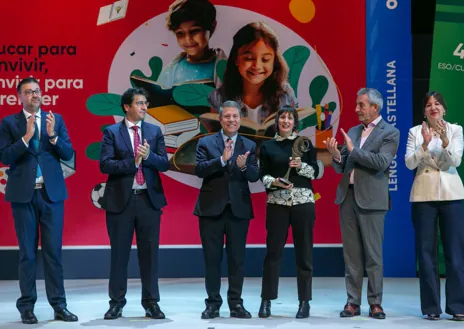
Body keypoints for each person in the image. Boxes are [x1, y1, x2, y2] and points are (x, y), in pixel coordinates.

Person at [0, 77, 77, 324]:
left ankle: (59, 306)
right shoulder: (9, 123)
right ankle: (27, 307)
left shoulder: (56, 120)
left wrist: (53, 136)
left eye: (37, 91)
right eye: (29, 92)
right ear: (19, 97)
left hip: (51, 194)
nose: (35, 95)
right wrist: (26, 138)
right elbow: (4, 156)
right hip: (23, 195)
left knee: (54, 252)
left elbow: (68, 153)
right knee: (28, 254)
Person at [324, 87, 400, 320]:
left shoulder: (390, 132)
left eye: (361, 105)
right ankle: (352, 302)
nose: (356, 109)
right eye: (357, 105)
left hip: (372, 200)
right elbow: (344, 164)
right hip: (348, 196)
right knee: (352, 255)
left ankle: (375, 302)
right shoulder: (355, 131)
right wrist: (337, 155)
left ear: (375, 107)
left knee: (373, 255)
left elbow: (380, 162)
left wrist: (352, 150)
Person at [99, 87, 169, 320]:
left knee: (150, 254)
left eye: (146, 103)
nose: (144, 108)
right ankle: (116, 303)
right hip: (121, 202)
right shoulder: (111, 132)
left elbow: (164, 164)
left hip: (148, 201)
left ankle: (151, 303)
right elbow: (105, 165)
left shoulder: (154, 131)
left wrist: (148, 157)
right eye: (139, 103)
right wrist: (133, 161)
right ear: (127, 107)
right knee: (119, 254)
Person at [193, 100, 260, 319]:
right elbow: (200, 170)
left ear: (240, 120)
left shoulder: (249, 146)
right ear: (220, 119)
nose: (232, 120)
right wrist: (221, 160)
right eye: (227, 117)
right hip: (211, 210)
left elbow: (253, 176)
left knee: (237, 259)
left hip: (238, 210)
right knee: (212, 259)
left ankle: (236, 303)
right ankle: (213, 303)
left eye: (235, 117)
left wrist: (243, 166)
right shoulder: (205, 143)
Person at [405, 91, 464, 321]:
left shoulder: (456, 130)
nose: (433, 107)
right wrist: (424, 146)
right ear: (424, 111)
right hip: (423, 196)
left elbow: (456, 161)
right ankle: (431, 307)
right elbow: (409, 163)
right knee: (426, 253)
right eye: (428, 104)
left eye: (437, 103)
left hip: (452, 195)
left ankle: (458, 305)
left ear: (444, 109)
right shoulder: (414, 132)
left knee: (455, 253)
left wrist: (446, 142)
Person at [257, 105, 320, 319]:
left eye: (289, 118)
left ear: (295, 122)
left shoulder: (305, 144)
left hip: (303, 202)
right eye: (282, 117)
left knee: (304, 253)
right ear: (277, 122)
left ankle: (305, 302)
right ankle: (266, 300)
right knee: (273, 253)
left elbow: (316, 172)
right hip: (277, 203)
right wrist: (274, 181)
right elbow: (262, 175)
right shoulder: (268, 146)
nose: (285, 121)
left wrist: (301, 166)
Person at [208, 22, 298, 125]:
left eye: (265, 59)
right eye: (249, 58)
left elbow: (293, 131)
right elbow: (214, 136)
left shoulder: (285, 93)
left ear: (274, 61)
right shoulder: (218, 98)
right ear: (236, 59)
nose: (257, 66)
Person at [157, 0, 227, 88]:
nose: (188, 39)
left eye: (195, 31)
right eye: (180, 33)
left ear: (212, 26)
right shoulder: (171, 71)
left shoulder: (225, 68)